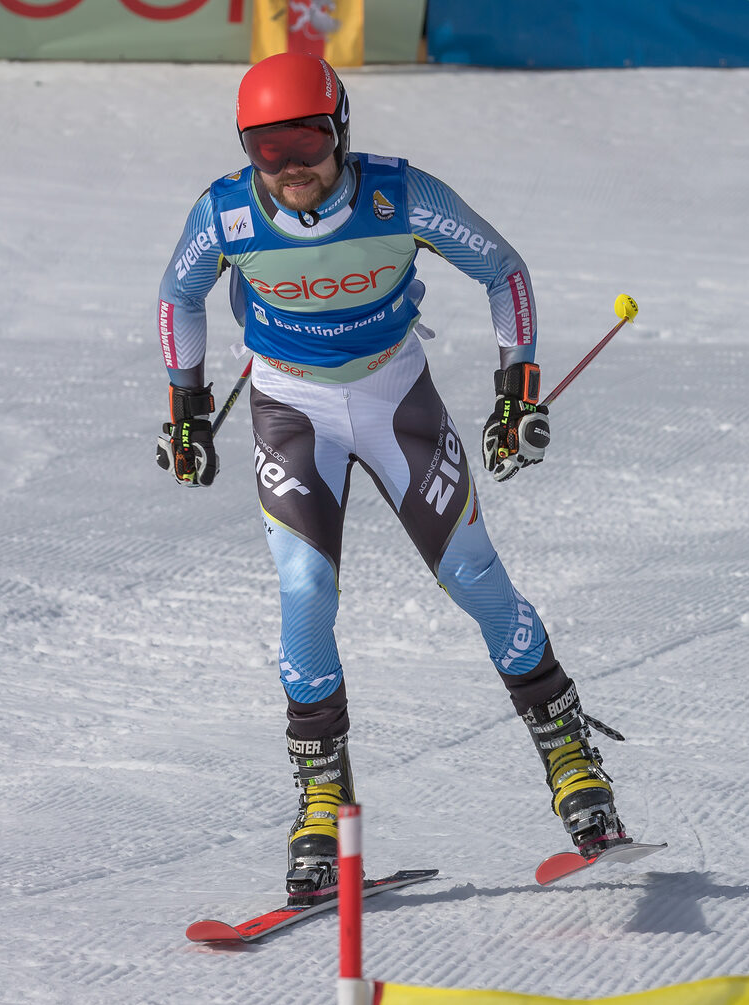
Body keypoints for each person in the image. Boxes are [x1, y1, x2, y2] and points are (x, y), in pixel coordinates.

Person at [154, 52, 628, 902]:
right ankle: (322, 797)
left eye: (308, 139)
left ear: (341, 130)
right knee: (303, 591)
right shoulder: (225, 215)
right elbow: (175, 296)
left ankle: (566, 753)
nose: (292, 165)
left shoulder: (400, 198)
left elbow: (503, 270)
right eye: (268, 148)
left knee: (474, 575)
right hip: (290, 406)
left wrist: (515, 388)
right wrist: (186, 409)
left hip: (392, 394)